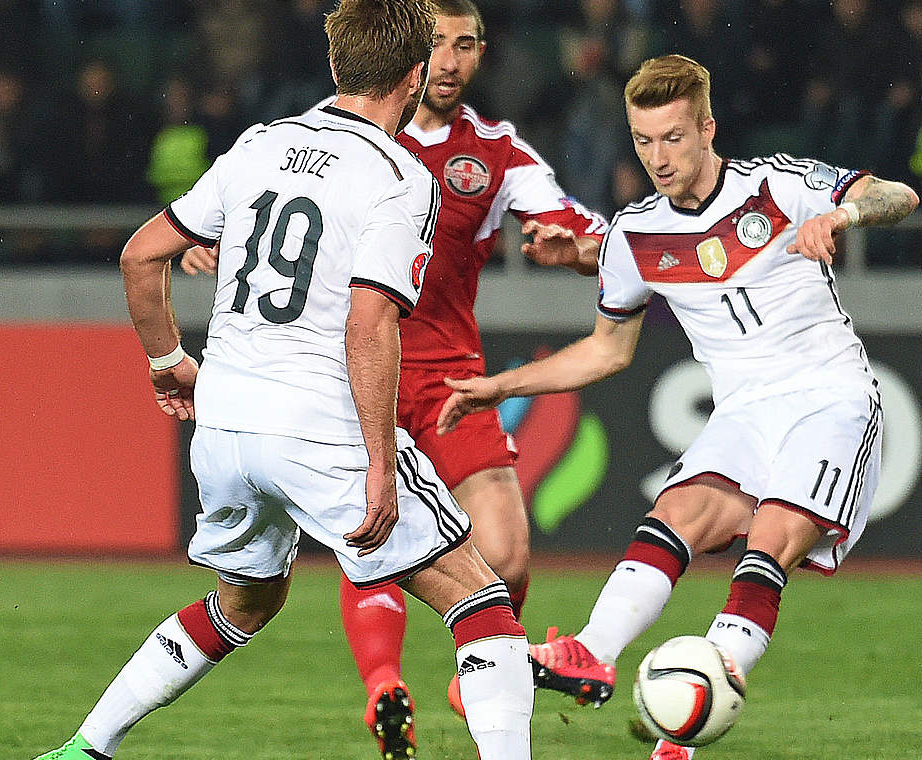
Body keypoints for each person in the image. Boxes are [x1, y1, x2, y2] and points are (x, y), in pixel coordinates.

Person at [32, 2, 535, 759]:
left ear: (336, 66)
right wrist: (377, 462)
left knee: (244, 604)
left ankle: (82, 749)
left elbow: (142, 255)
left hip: (226, 422)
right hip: (318, 423)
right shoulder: (402, 175)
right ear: (414, 74)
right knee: (482, 599)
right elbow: (369, 324)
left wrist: (168, 363)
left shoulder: (260, 145)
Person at [438, 54, 919, 760]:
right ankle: (591, 656)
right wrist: (501, 387)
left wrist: (843, 213)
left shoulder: (775, 186)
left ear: (706, 129)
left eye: (672, 138)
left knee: (771, 540)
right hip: (742, 413)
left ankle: (686, 724)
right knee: (673, 518)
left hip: (830, 399)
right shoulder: (636, 235)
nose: (658, 157)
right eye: (642, 141)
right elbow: (607, 351)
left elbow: (900, 196)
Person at [182, 2, 606, 755]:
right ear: (412, 56)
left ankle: (471, 670)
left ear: (482, 53)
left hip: (449, 379)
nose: (450, 61)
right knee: (372, 535)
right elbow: (259, 211)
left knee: (505, 555)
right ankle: (385, 683)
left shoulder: (498, 151)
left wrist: (569, 248)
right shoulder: (335, 130)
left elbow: (585, 234)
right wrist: (205, 243)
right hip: (348, 372)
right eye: (438, 44)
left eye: (466, 45)